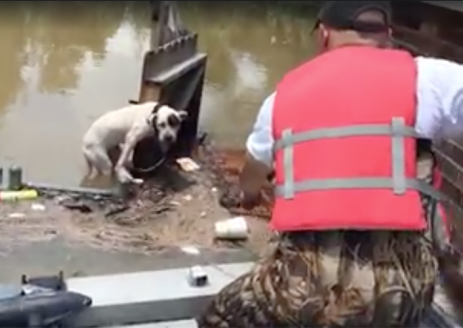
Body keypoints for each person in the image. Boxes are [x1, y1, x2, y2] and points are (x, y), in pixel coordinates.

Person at [197, 1, 463, 327]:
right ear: (388, 36)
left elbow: (251, 179)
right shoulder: (429, 79)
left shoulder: (283, 96)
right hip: (404, 297)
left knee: (218, 315)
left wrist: (251, 195)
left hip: (303, 296)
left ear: (323, 35)